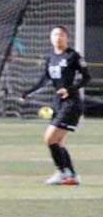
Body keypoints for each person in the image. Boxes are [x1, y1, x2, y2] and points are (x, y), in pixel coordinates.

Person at [21, 25, 90, 186]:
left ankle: (61, 172)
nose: (57, 38)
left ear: (67, 37)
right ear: (50, 39)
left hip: (71, 103)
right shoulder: (50, 57)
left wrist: (70, 89)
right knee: (57, 142)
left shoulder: (73, 56)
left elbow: (86, 78)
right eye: (54, 35)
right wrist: (27, 92)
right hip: (57, 103)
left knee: (49, 139)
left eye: (61, 35)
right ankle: (72, 175)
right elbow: (45, 79)